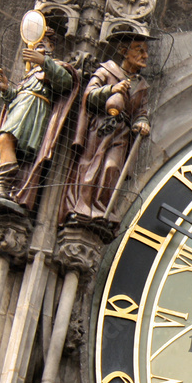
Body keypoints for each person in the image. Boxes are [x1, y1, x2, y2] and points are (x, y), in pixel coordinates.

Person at [60, 31, 151, 232]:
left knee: (112, 168)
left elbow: (141, 111)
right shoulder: (106, 71)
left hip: (123, 132)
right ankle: (82, 207)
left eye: (146, 52)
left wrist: (142, 122)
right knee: (92, 164)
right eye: (139, 50)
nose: (145, 56)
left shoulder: (142, 85)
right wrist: (111, 90)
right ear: (124, 51)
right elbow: (89, 95)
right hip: (101, 126)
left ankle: (102, 209)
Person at [0, 24, 77, 215]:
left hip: (34, 110)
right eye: (37, 46)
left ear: (51, 47)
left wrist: (45, 62)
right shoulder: (29, 74)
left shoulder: (55, 67)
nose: (38, 49)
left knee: (5, 139)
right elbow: (16, 97)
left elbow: (65, 82)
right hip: (22, 107)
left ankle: (5, 185)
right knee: (4, 140)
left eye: (43, 45)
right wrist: (5, 90)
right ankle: (4, 186)